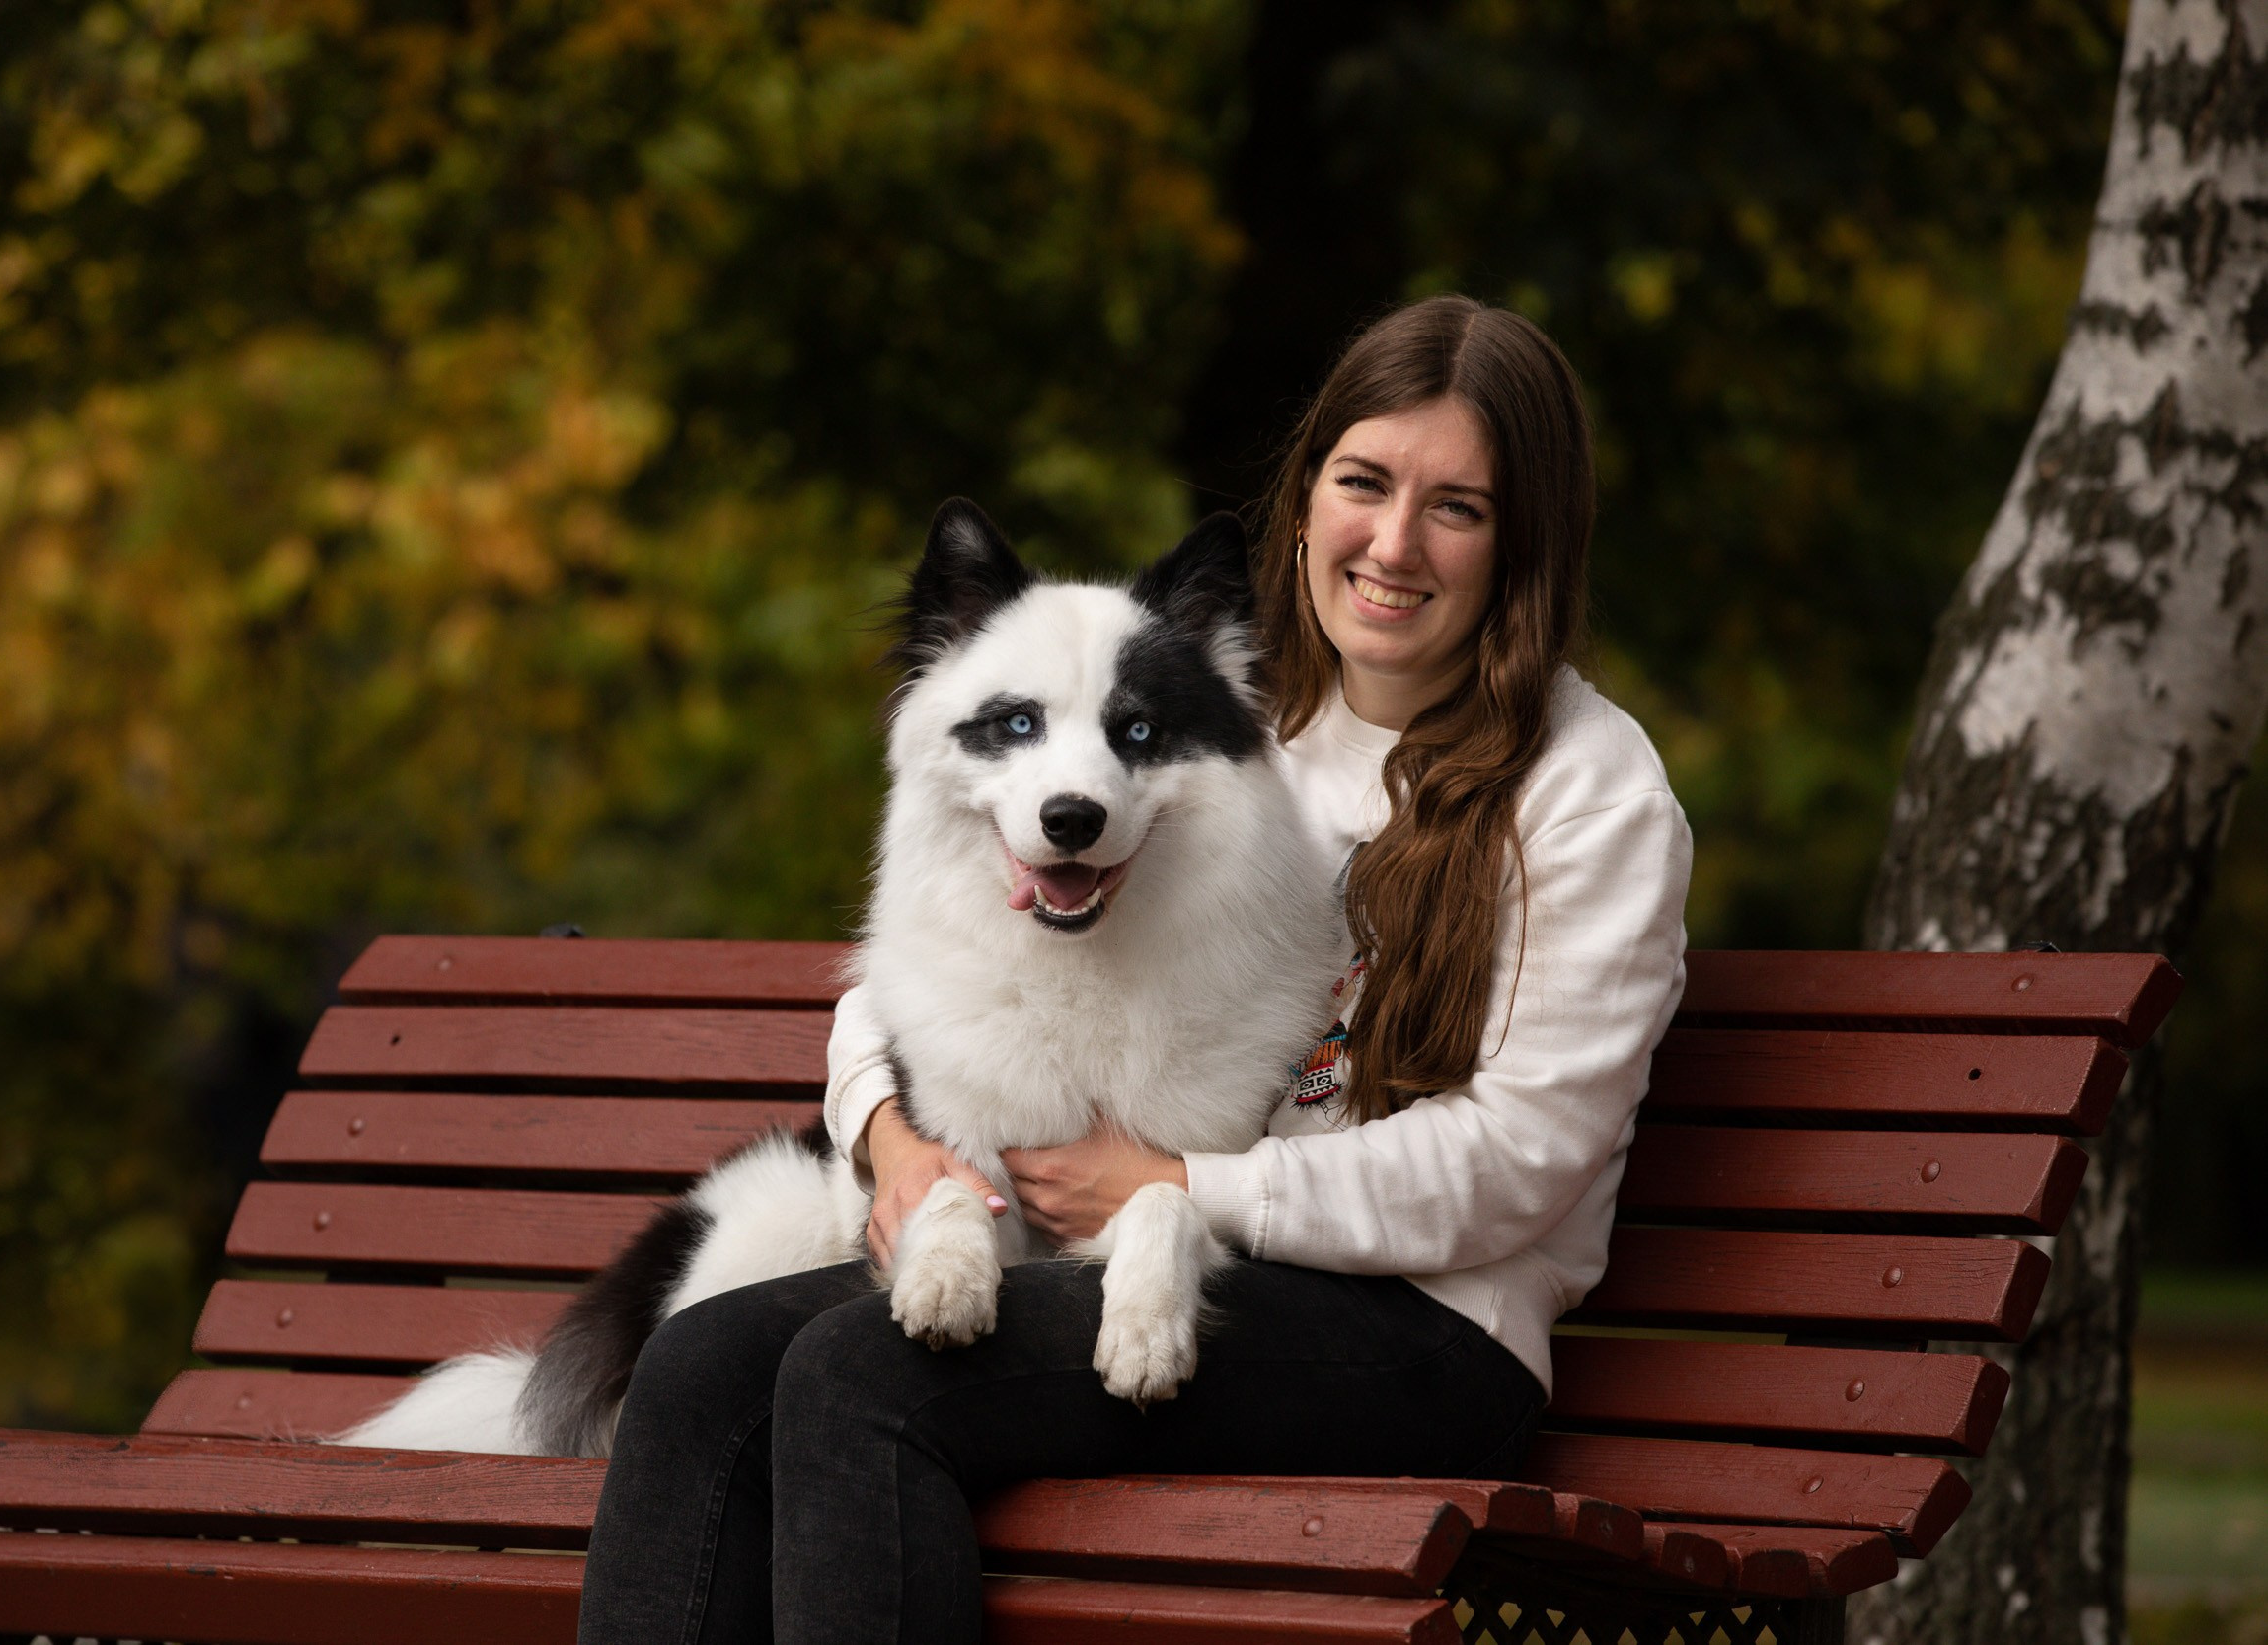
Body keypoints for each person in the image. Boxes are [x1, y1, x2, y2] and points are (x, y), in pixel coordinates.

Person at [574, 294, 1694, 1644]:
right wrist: (888, 1139)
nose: (1395, 542)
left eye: (1457, 505)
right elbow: (931, 961)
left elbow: (1522, 1162)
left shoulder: (1591, 791)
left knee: (866, 1382)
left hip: (1419, 1329)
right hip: (1128, 1252)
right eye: (1365, 482)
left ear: (1525, 540)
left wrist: (1185, 1188)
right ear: (1305, 500)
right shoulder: (1206, 706)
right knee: (703, 1366)